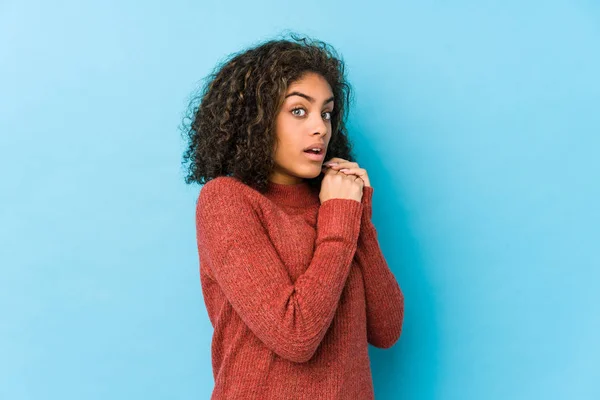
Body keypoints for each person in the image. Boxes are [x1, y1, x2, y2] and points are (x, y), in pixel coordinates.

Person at [181, 32, 404, 399]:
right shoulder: (226, 200)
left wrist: (358, 220)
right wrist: (339, 218)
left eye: (327, 113)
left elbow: (386, 330)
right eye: (298, 110)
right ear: (257, 118)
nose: (320, 127)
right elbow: (295, 335)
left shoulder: (335, 205)